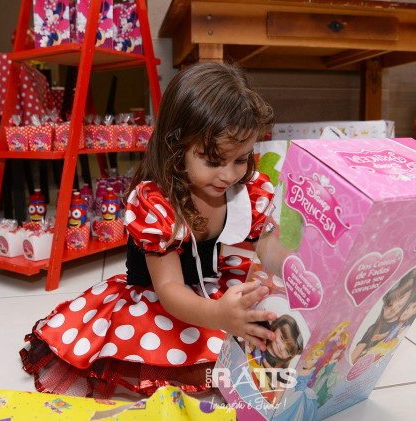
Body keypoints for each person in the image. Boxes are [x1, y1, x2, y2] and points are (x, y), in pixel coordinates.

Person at [20, 62, 286, 398]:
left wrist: (298, 267)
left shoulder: (247, 192)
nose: (229, 175)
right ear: (176, 147)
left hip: (211, 286)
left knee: (271, 333)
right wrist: (219, 315)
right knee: (195, 363)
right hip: (161, 300)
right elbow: (170, 289)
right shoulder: (156, 204)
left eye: (241, 159)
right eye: (213, 160)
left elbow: (270, 249)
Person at [350, 268, 416, 363]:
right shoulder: (373, 329)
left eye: (400, 300)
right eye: (388, 304)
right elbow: (352, 358)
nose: (394, 307)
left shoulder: (402, 324)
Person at [247, 314, 304, 403]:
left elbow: (276, 401)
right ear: (276, 326)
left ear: (290, 356)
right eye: (282, 338)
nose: (281, 348)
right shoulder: (261, 338)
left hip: (255, 397)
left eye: (287, 351)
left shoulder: (282, 372)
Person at [272, 345, 323, 421]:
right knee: (292, 411)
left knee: (306, 412)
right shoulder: (297, 369)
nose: (313, 362)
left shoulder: (312, 370)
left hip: (306, 394)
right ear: (307, 357)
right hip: (297, 394)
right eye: (312, 359)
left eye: (316, 359)